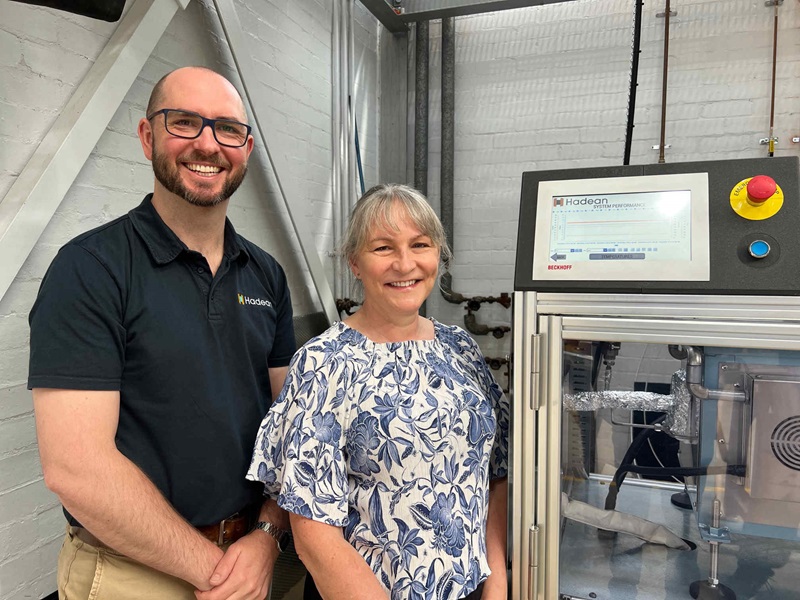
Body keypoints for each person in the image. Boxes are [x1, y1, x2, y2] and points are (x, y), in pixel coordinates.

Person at [29, 66, 296, 600]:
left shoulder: (266, 274)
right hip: (135, 573)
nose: (207, 143)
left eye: (227, 129)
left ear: (245, 148)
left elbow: (289, 429)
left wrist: (267, 535)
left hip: (247, 557)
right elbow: (75, 468)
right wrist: (211, 570)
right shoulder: (91, 270)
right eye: (184, 122)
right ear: (148, 136)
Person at [247, 184, 510, 600]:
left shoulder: (461, 349)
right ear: (355, 261)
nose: (405, 264)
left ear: (437, 254)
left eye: (419, 244)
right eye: (383, 248)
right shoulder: (323, 363)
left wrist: (496, 581)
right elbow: (314, 533)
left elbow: (494, 475)